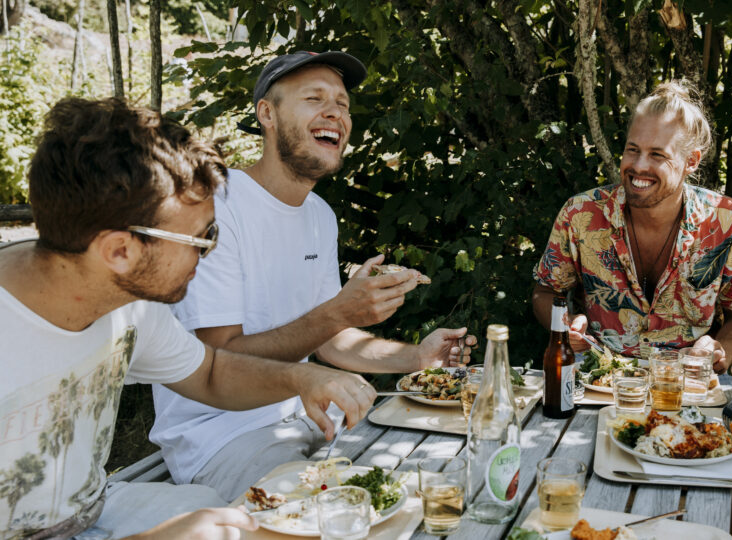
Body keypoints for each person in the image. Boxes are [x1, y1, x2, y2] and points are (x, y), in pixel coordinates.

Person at [0, 97, 376, 539]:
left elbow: (210, 373)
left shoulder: (129, 303)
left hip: (92, 511)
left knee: (275, 521)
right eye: (201, 238)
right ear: (119, 251)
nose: (210, 252)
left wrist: (301, 378)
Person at [150, 50, 476, 502]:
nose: (335, 113)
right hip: (225, 436)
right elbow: (217, 359)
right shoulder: (217, 206)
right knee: (337, 514)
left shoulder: (320, 215)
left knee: (442, 473)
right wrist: (338, 312)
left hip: (312, 416)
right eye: (314, 98)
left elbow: (328, 340)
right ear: (267, 114)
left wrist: (417, 358)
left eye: (342, 104)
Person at [532, 80, 732, 369]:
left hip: (689, 379)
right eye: (632, 150)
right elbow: (545, 291)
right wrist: (563, 325)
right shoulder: (580, 213)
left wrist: (718, 351)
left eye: (657, 154)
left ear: (691, 161)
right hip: (598, 375)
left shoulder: (729, 220)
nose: (639, 166)